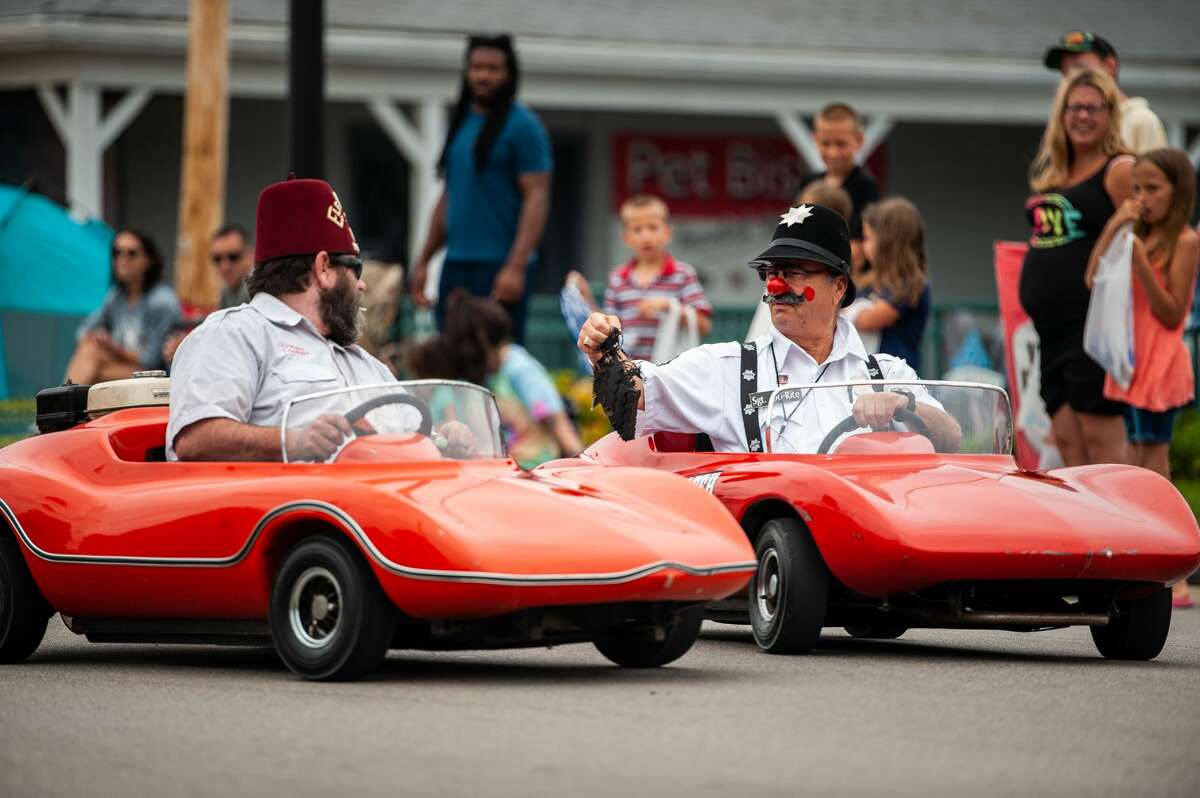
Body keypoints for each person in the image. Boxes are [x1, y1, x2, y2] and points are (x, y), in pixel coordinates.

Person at [577, 204, 960, 454]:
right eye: (771, 273)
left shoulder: (886, 373)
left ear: (839, 287)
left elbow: (951, 437)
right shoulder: (727, 367)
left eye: (793, 272)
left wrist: (903, 404)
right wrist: (604, 351)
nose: (776, 286)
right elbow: (640, 390)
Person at [168, 176, 469, 462]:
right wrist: (293, 441)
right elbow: (195, 440)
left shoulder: (367, 364)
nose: (361, 286)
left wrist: (441, 440)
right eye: (356, 270)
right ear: (323, 268)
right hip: (298, 509)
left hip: (387, 501)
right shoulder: (234, 334)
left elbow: (412, 436)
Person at [1084, 148, 1198, 608]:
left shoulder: (1185, 241)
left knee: (1156, 461)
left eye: (1153, 189)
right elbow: (1093, 276)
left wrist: (1142, 269)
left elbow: (1173, 313)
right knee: (1133, 460)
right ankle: (1140, 556)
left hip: (1161, 362)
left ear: (1178, 192)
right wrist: (1117, 225)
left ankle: (1176, 568)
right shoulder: (1133, 234)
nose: (1144, 199)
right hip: (1132, 363)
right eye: (1137, 189)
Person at [1019, 67, 1134, 468]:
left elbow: (1152, 234)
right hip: (1049, 335)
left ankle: (1125, 530)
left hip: (1091, 329)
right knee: (1068, 444)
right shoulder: (1052, 173)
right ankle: (1088, 533)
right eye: (1075, 108)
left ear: (1110, 115)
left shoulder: (1120, 170)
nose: (1083, 117)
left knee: (1103, 448)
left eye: (1093, 108)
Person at [409, 33, 552, 344]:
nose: (483, 75)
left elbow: (537, 197)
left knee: (497, 361)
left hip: (499, 266)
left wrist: (515, 267)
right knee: (451, 357)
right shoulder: (461, 123)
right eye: (476, 67)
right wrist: (423, 262)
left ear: (509, 74)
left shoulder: (524, 126)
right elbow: (449, 195)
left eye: (493, 68)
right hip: (456, 264)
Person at [408, 289, 582, 468]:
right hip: (508, 470)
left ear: (480, 343)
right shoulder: (494, 376)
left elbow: (555, 420)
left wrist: (579, 462)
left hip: (537, 470)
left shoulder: (519, 370)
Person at [598, 195, 712, 362]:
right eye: (637, 229)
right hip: (629, 371)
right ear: (626, 238)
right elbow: (610, 327)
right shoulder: (617, 279)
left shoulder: (683, 274)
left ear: (667, 233)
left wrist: (669, 306)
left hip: (672, 370)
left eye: (652, 227)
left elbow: (704, 325)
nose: (646, 236)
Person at [65, 228, 181, 384]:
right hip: (123, 369)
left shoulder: (161, 301)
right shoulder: (116, 296)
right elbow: (82, 333)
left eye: (131, 253)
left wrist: (112, 347)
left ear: (148, 261)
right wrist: (99, 338)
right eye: (117, 253)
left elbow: (152, 360)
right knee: (90, 349)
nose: (123, 259)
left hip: (154, 379)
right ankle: (64, 402)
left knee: (91, 366)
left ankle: (60, 404)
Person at [1043, 31, 1168, 154]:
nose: (1073, 79)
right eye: (1066, 73)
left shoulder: (1141, 121)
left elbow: (1155, 174)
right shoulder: (1069, 124)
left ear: (1110, 65)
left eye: (1079, 69)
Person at [795, 102, 882, 275]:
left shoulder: (865, 187)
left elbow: (857, 250)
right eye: (826, 143)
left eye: (841, 144)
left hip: (847, 279)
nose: (833, 152)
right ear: (815, 140)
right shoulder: (807, 183)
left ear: (859, 140)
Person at [852, 198, 931, 373]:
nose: (864, 246)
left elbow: (869, 320)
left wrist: (842, 311)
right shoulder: (869, 281)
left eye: (868, 238)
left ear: (888, 243)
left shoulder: (910, 282)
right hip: (871, 374)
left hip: (898, 377)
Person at [162, 222, 254, 366]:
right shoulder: (227, 291)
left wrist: (188, 345)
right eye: (217, 259)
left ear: (250, 255)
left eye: (233, 257)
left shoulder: (255, 285)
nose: (224, 266)